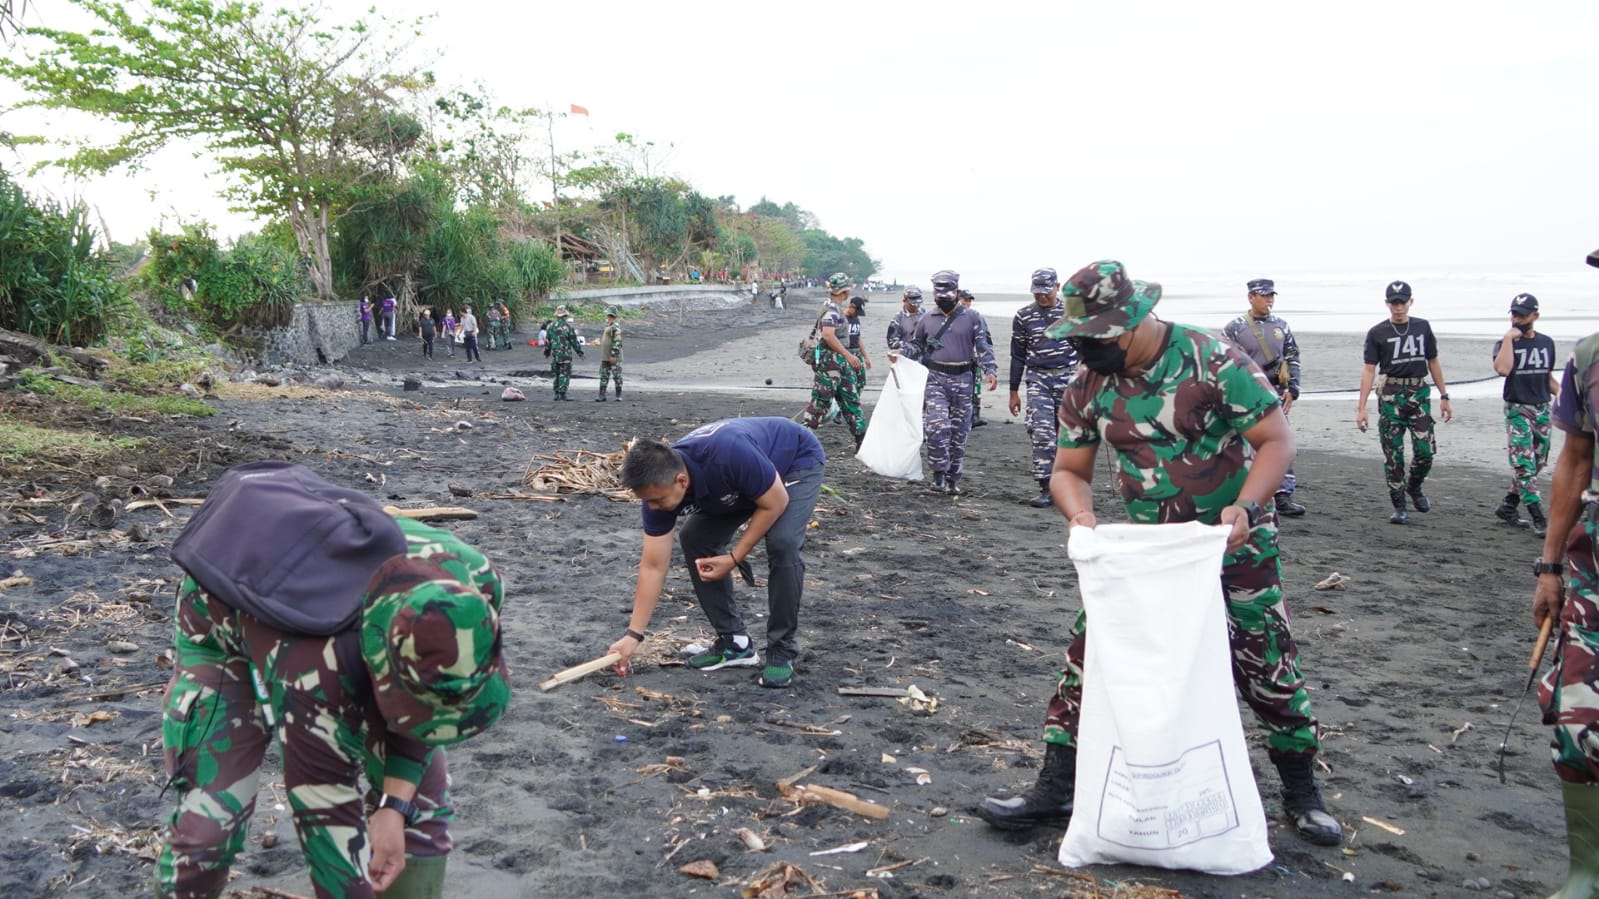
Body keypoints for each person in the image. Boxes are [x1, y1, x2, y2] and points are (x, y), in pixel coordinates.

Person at [973, 259, 1341, 847]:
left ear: (1130, 323)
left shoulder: (1211, 359)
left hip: (1234, 543)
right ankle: (1057, 785)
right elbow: (1068, 471)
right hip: (1147, 549)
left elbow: (1276, 440)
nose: (1083, 351)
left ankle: (1301, 790)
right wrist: (1082, 518)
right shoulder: (1090, 383)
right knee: (1092, 654)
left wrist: (1246, 507)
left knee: (1262, 656)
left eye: (1093, 339)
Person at [156, 461, 509, 899]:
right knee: (209, 830)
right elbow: (326, 821)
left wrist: (395, 805)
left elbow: (427, 708)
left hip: (340, 628)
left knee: (421, 807)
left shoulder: (474, 581)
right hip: (222, 617)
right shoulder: (316, 670)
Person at [608, 417, 825, 690]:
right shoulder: (657, 490)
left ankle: (781, 650)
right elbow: (653, 566)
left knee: (783, 543)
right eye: (647, 501)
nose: (652, 508)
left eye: (657, 500)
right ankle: (735, 643)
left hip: (793, 461)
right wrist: (633, 635)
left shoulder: (727, 454)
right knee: (695, 538)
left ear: (681, 481)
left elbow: (775, 502)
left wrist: (734, 558)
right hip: (742, 482)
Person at [1533, 247, 1599, 898]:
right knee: (1576, 714)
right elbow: (1575, 459)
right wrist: (1549, 565)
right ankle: (1586, 873)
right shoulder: (1588, 357)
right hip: (1592, 563)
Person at [889, 270, 998, 495]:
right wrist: (901, 352)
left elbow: (983, 346)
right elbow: (917, 345)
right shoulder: (927, 319)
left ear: (956, 293)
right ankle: (938, 474)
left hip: (964, 379)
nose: (943, 300)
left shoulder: (973, 317)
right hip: (935, 378)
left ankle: (952, 479)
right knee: (937, 426)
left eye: (947, 296)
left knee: (959, 432)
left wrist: (990, 370)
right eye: (939, 297)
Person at [1355, 280, 1453, 524]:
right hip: (1391, 395)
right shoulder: (1377, 332)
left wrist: (1444, 395)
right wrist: (1362, 408)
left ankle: (1414, 486)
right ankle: (1399, 505)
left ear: (1411, 302)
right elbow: (1369, 370)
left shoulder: (1422, 327)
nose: (1398, 308)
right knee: (1393, 454)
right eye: (1394, 303)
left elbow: (1433, 361)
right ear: (1387, 304)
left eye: (1402, 302)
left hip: (1419, 394)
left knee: (1425, 452)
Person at [1222, 278, 1307, 516]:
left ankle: (1283, 494)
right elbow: (1226, 361)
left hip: (1276, 392)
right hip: (1246, 392)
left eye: (1271, 296)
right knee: (1243, 443)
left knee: (1281, 441)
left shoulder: (1281, 326)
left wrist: (1293, 388)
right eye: (1264, 295)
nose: (1269, 300)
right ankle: (1243, 493)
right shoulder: (1235, 327)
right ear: (1251, 297)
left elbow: (1292, 357)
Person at [1008, 268, 1079, 508]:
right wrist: (1013, 392)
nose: (1042, 297)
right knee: (1042, 433)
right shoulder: (1024, 316)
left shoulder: (1072, 313)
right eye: (1037, 293)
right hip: (1038, 380)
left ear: (1057, 287)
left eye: (1046, 292)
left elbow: (1088, 349)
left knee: (1068, 436)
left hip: (1069, 379)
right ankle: (1046, 487)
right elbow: (1018, 355)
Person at [1492, 293, 1559, 534]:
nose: (1516, 319)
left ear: (1535, 316)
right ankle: (1537, 515)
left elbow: (1546, 377)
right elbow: (1502, 369)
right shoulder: (1504, 344)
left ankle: (1509, 505)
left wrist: (1564, 396)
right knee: (1523, 464)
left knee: (1538, 461)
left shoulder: (1546, 343)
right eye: (1514, 314)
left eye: (1522, 315)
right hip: (1518, 408)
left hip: (1542, 409)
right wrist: (1508, 340)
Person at [800, 273, 867, 450]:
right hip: (830, 362)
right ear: (844, 291)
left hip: (839, 362)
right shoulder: (831, 310)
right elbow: (828, 335)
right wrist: (848, 355)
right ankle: (801, 440)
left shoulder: (834, 307)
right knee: (820, 401)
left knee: (851, 399)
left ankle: (862, 439)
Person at [958, 289, 993, 427]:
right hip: (958, 360)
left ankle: (975, 415)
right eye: (964, 300)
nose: (966, 303)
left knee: (976, 387)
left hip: (974, 359)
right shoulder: (951, 317)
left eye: (968, 300)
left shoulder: (976, 317)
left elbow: (986, 339)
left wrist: (987, 363)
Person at [545, 304, 583, 400]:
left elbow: (547, 341)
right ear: (565, 315)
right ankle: (562, 394)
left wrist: (547, 352)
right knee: (564, 374)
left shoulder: (551, 327)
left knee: (557, 374)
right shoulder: (568, 327)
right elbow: (574, 341)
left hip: (555, 354)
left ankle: (556, 394)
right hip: (565, 355)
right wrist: (580, 353)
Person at [842, 295, 872, 405]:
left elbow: (858, 338)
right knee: (847, 383)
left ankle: (855, 402)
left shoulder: (856, 319)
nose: (857, 314)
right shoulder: (841, 319)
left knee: (861, 381)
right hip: (845, 354)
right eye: (857, 311)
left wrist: (866, 357)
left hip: (857, 353)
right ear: (851, 306)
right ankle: (844, 406)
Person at [596, 306, 624, 402]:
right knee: (603, 374)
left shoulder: (615, 327)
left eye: (608, 315)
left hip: (613, 357)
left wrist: (613, 354)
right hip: (605, 356)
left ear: (610, 316)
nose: (606, 317)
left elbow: (617, 341)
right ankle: (602, 395)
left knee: (617, 375)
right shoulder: (608, 326)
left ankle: (618, 395)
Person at [886, 286, 925, 351]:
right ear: (904, 301)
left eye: (918, 303)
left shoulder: (924, 314)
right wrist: (911, 346)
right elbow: (891, 342)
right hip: (906, 355)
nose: (916, 306)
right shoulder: (898, 318)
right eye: (912, 304)